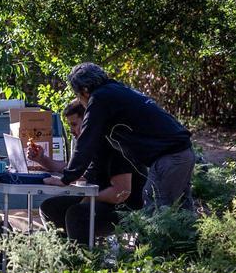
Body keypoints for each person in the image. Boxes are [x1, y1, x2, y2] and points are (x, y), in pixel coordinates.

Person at [48, 63, 195, 211]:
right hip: (182, 151)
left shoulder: (100, 98)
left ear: (84, 90)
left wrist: (66, 179)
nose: (79, 100)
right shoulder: (117, 89)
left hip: (170, 158)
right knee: (181, 214)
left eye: (78, 95)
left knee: (155, 212)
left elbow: (87, 141)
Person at [28, 99, 146, 242]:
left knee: (76, 213)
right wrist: (42, 159)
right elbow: (74, 170)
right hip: (101, 198)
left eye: (74, 124)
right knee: (50, 207)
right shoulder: (92, 143)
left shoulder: (114, 144)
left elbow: (121, 192)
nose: (71, 130)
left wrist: (89, 199)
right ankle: (63, 254)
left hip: (124, 209)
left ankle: (84, 260)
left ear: (88, 121)